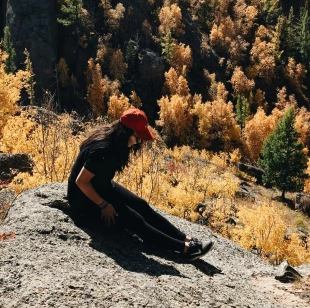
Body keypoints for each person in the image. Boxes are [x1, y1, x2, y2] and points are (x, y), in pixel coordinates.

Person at [67, 108, 213, 261]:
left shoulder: (112, 139)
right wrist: (103, 205)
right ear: (126, 133)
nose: (140, 142)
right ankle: (185, 249)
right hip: (83, 199)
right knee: (135, 220)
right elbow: (81, 181)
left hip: (100, 186)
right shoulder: (103, 150)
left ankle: (185, 239)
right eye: (138, 138)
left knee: (141, 205)